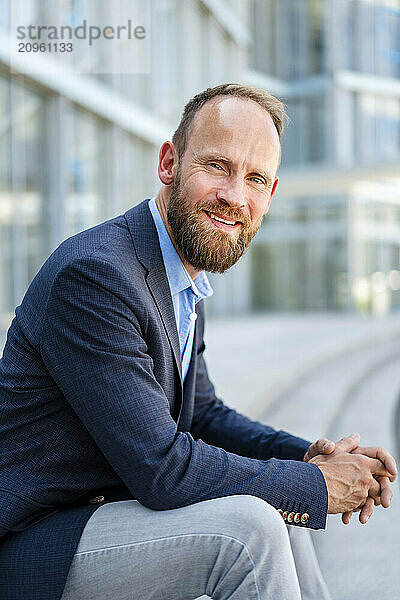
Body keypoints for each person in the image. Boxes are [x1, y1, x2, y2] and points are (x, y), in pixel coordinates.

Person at [0, 83, 397, 600]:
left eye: (255, 178)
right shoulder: (96, 276)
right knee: (251, 531)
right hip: (36, 539)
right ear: (170, 163)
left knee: (283, 507)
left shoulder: (181, 273)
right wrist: (320, 486)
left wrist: (307, 459)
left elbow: (204, 414)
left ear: (270, 195)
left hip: (100, 512)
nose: (235, 196)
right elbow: (161, 468)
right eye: (217, 166)